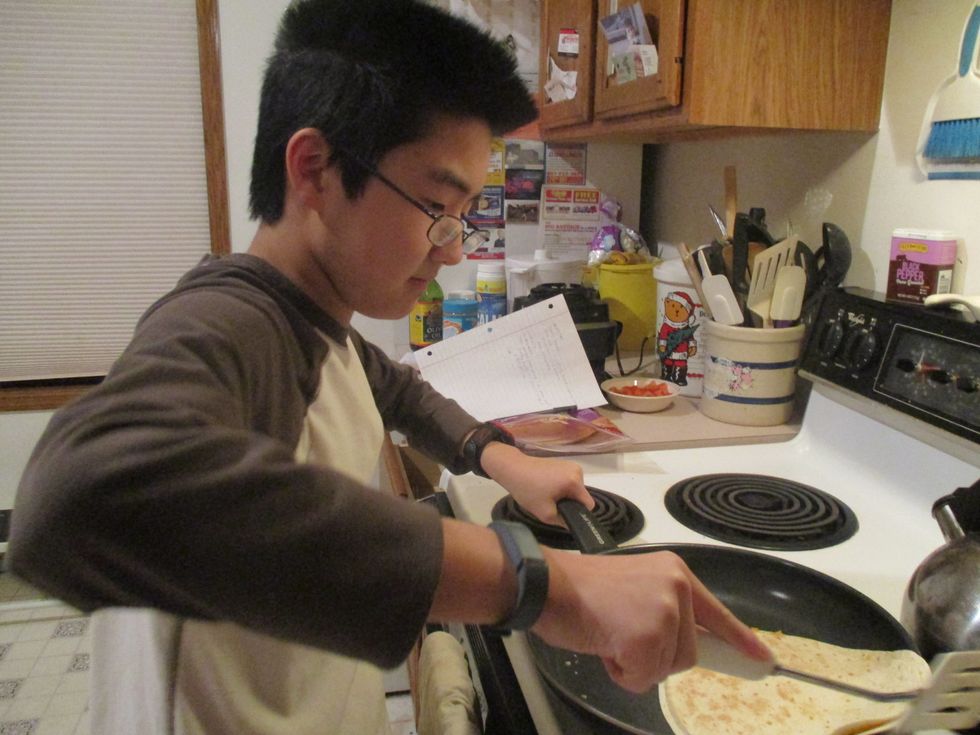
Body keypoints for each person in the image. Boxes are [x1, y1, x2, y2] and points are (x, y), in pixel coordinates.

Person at [7, 1, 770, 733]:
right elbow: (76, 495)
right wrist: (541, 584)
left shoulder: (315, 317)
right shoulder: (231, 323)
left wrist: (502, 458)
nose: (455, 246)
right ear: (314, 170)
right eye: (439, 205)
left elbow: (390, 385)